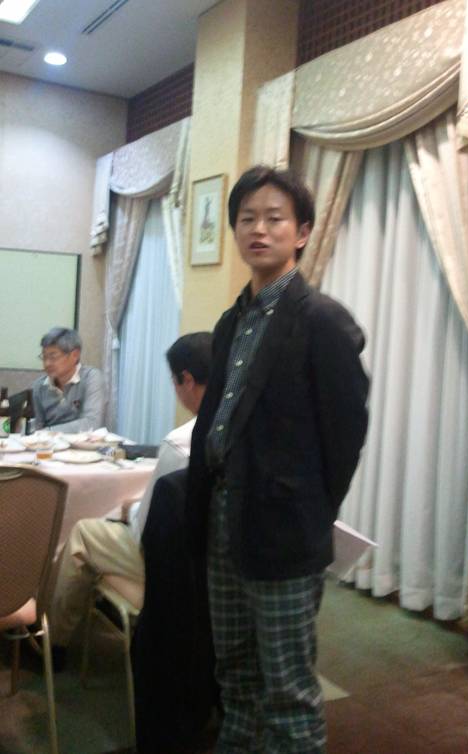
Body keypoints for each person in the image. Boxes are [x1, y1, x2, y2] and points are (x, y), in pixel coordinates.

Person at [187, 165, 369, 753]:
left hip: (285, 529)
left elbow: (345, 434)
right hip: (223, 518)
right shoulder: (232, 320)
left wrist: (310, 510)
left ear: (303, 233)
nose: (258, 230)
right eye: (247, 219)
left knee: (288, 686)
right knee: (235, 672)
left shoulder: (321, 320)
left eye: (274, 218)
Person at [49, 332, 213, 660]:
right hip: (218, 567)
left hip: (173, 566)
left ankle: (54, 643)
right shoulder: (245, 427)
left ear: (187, 380)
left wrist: (130, 510)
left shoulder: (180, 443)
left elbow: (147, 529)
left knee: (84, 533)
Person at [32, 327, 106, 432]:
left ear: (75, 355)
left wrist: (48, 432)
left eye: (53, 357)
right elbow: (38, 427)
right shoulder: (40, 386)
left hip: (85, 442)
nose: (47, 363)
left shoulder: (91, 378)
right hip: (50, 442)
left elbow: (92, 423)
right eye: (44, 357)